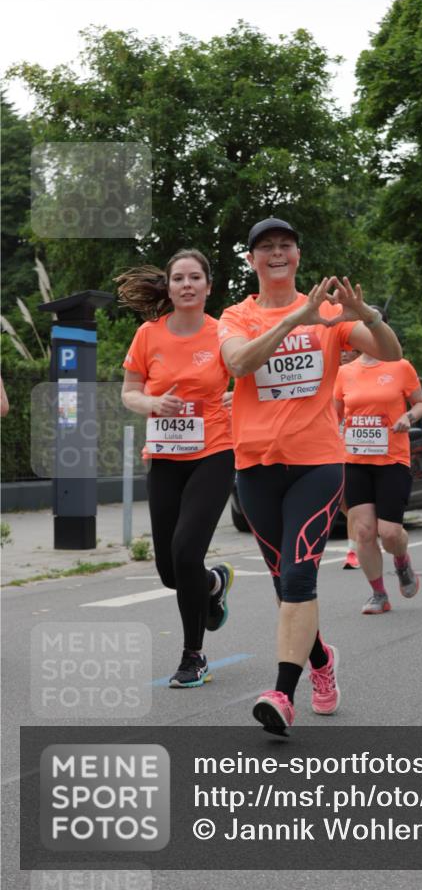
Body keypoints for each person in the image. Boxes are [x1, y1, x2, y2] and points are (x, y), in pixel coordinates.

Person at [218, 217, 402, 734]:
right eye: (266, 247)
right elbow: (239, 364)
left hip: (317, 462)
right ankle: (321, 661)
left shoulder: (328, 313)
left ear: (297, 255)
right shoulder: (235, 316)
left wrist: (366, 315)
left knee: (300, 576)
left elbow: (390, 352)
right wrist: (294, 318)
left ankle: (282, 693)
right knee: (285, 584)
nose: (277, 253)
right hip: (255, 466)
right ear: (252, 260)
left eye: (286, 246)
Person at [119, 250, 235, 688]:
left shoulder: (223, 332)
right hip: (165, 457)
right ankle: (211, 585)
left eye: (195, 277)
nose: (186, 285)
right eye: (178, 278)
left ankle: (194, 656)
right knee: (171, 571)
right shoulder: (148, 335)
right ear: (168, 287)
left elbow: (248, 373)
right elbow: (130, 391)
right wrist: (151, 402)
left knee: (187, 550)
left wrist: (234, 394)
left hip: (214, 453)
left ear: (208, 286)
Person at [333, 318, 422, 613]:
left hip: (392, 460)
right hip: (355, 461)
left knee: (389, 533)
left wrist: (408, 418)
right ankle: (378, 594)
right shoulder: (344, 372)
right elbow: (334, 415)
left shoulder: (400, 366)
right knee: (363, 531)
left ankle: (401, 561)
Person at [339, 348, 361, 569]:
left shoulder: (361, 373)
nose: (345, 354)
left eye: (350, 351)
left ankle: (352, 550)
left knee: (353, 499)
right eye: (342, 351)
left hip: (356, 443)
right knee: (340, 500)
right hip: (332, 441)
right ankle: (363, 529)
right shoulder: (332, 374)